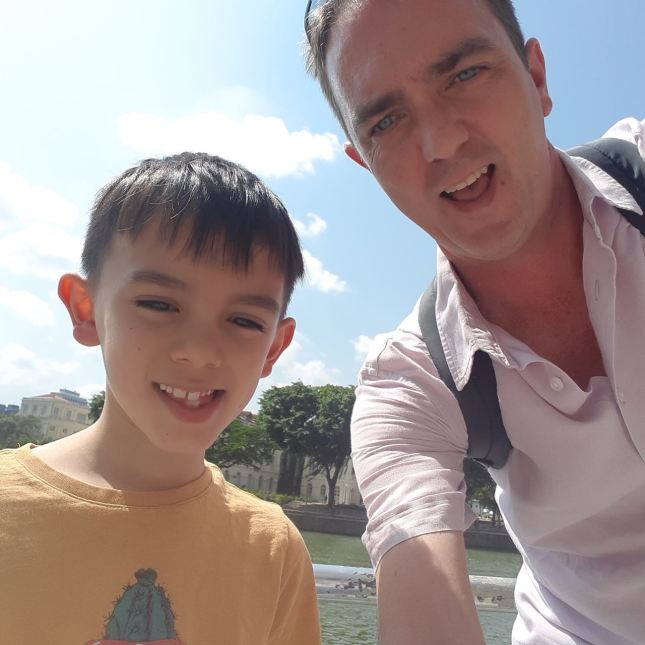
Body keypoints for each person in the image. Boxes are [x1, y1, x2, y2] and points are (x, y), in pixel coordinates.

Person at [304, 0, 645, 643]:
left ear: (537, 78)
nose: (441, 143)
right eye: (387, 121)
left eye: (464, 74)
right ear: (364, 163)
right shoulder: (408, 388)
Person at [0, 153, 322, 644]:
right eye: (158, 304)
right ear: (86, 309)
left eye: (244, 321)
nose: (200, 351)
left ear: (274, 348)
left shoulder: (273, 549)